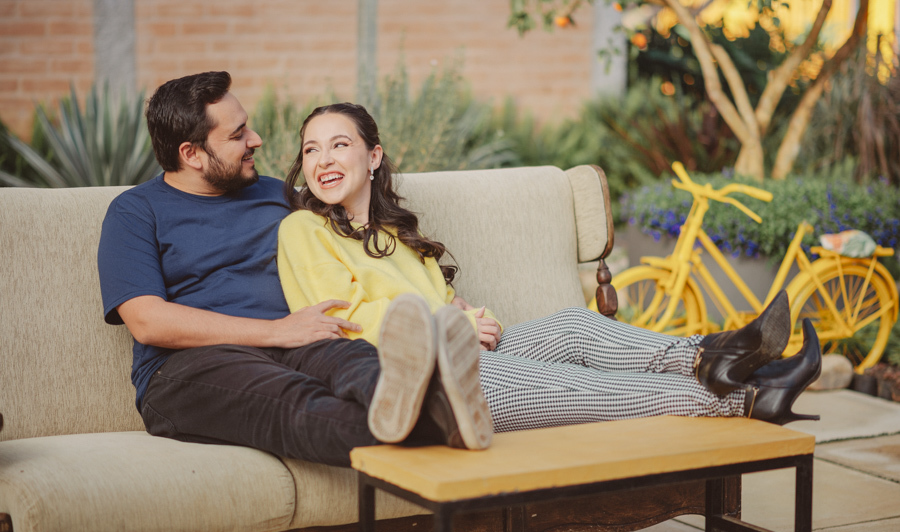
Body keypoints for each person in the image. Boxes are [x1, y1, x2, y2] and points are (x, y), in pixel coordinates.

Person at [276, 102, 823, 439]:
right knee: (597, 388)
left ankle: (716, 355)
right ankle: (746, 396)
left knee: (574, 324)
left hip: (462, 350)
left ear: (373, 157)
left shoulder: (395, 231)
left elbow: (434, 298)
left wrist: (461, 309)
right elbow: (346, 318)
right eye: (311, 150)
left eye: (339, 145)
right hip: (428, 381)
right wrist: (457, 324)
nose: (322, 160)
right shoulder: (303, 230)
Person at [97, 72, 494, 470]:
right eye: (237, 136)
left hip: (300, 343)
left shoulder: (279, 195)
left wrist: (439, 298)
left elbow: (358, 238)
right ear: (192, 154)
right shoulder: (135, 212)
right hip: (190, 366)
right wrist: (275, 331)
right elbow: (147, 321)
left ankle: (439, 407)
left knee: (361, 363)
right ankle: (439, 425)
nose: (256, 140)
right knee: (295, 402)